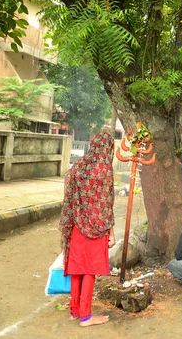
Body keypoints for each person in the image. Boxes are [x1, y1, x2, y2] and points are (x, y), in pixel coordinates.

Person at [59, 131, 116, 327]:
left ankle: (74, 310)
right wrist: (111, 232)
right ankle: (86, 315)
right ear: (108, 147)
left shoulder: (79, 166)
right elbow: (106, 203)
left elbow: (69, 197)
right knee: (89, 269)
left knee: (77, 269)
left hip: (76, 226)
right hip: (96, 227)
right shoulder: (104, 168)